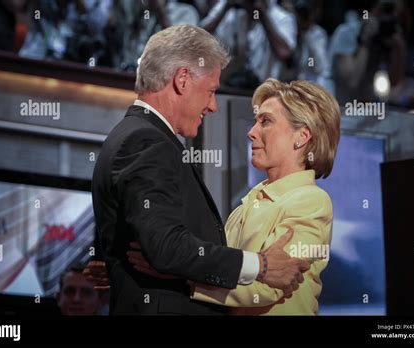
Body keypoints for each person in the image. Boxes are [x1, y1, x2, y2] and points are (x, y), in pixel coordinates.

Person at [91, 24, 310, 316]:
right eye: (210, 91)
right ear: (182, 79)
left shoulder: (136, 136)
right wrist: (262, 265)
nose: (213, 105)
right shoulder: (145, 141)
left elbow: (152, 245)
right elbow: (166, 247)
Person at [129, 79, 340, 315]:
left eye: (266, 121)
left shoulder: (311, 202)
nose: (251, 133)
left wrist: (178, 275)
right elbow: (220, 265)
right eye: (255, 121)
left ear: (302, 136)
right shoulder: (252, 200)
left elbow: (274, 283)